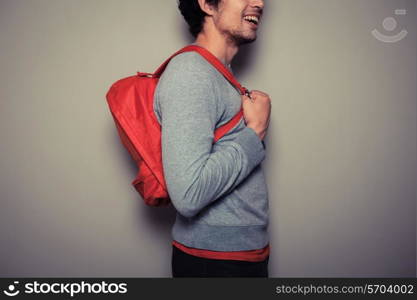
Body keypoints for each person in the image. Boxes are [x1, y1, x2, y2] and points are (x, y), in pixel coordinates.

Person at [153, 0, 271, 277]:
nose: (259, 3)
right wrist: (255, 132)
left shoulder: (216, 72)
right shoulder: (191, 73)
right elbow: (188, 194)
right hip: (214, 261)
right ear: (207, 4)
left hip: (238, 254)